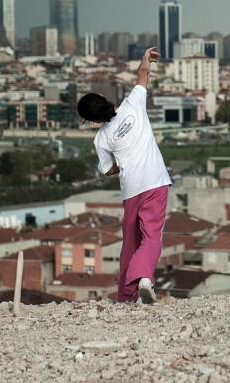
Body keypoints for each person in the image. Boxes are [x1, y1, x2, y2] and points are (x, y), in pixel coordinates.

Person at [76, 47, 171, 304]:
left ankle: (126, 296)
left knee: (130, 242)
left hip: (131, 190)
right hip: (155, 182)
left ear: (91, 120)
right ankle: (143, 279)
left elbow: (108, 170)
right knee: (151, 237)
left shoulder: (102, 138)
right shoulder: (133, 104)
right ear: (104, 99)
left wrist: (121, 163)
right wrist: (145, 59)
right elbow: (142, 75)